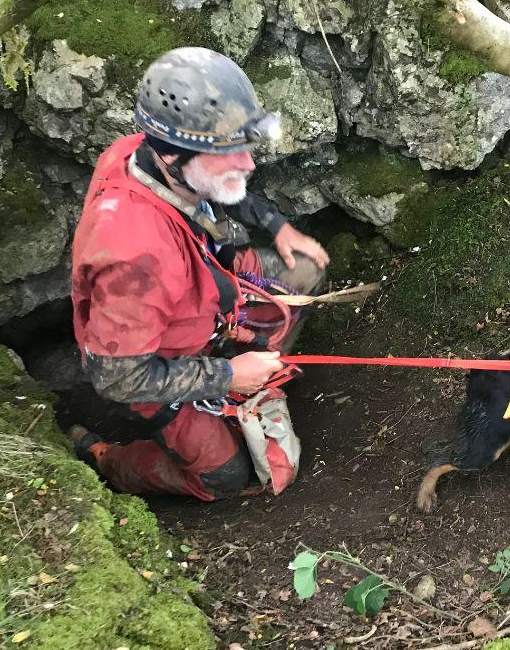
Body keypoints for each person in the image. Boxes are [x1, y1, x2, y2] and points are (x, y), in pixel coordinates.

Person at [67, 47, 330, 500]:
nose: (248, 163)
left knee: (302, 274)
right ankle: (107, 457)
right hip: (157, 357)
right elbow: (117, 378)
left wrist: (277, 227)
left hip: (205, 287)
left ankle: (258, 379)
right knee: (226, 477)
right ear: (173, 158)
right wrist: (227, 376)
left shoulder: (143, 153)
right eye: (229, 153)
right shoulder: (132, 259)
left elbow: (220, 187)